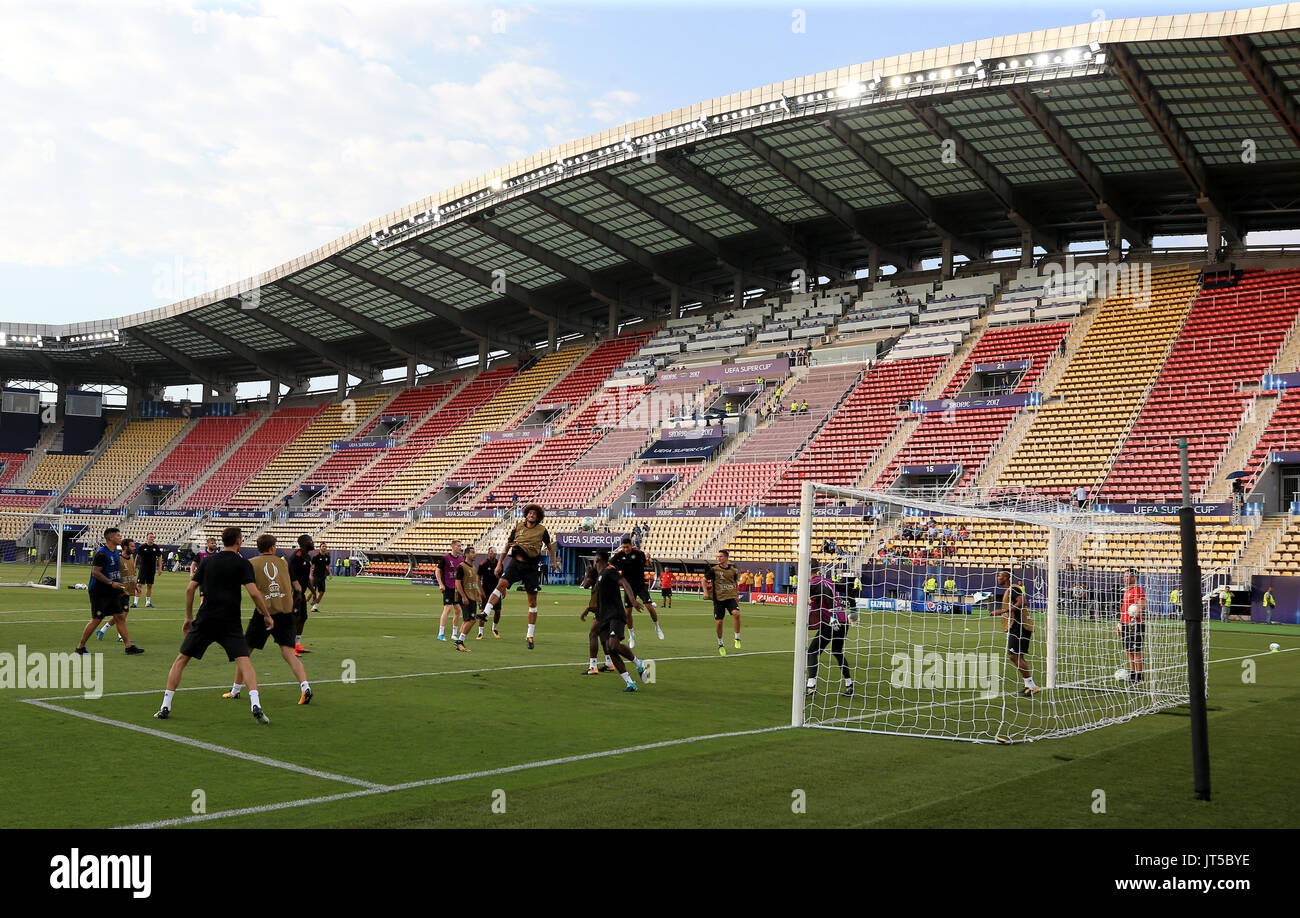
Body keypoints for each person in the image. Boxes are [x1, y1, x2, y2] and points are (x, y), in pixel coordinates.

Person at [155, 527, 274, 723]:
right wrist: (267, 615)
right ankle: (256, 704)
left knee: (181, 660)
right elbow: (254, 592)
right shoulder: (242, 563)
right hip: (230, 621)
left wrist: (188, 617)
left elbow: (190, 588)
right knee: (244, 661)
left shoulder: (208, 561)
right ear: (238, 541)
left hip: (206, 618)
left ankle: (165, 706)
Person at [222, 534, 312, 705]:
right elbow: (298, 587)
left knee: (244, 653)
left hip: (264, 613)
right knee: (288, 653)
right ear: (272, 548)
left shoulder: (252, 563)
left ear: (258, 548)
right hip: (285, 612)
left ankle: (235, 690)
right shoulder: (284, 562)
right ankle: (305, 687)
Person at [482, 504, 560, 649]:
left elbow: (549, 547)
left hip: (531, 568)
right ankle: (485, 613)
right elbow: (507, 546)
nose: (531, 515)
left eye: (534, 514)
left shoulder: (542, 530)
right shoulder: (518, 527)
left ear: (538, 517)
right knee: (500, 584)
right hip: (515, 563)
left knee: (532, 602)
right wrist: (499, 564)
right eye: (529, 513)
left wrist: (553, 562)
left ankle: (530, 635)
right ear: (526, 514)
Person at [581, 550, 648, 692]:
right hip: (603, 617)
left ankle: (638, 663)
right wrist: (589, 610)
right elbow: (602, 600)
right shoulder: (599, 576)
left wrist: (633, 600)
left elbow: (624, 582)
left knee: (613, 645)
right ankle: (630, 683)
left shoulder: (609, 570)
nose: (593, 562)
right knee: (610, 650)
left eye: (594, 559)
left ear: (597, 559)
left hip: (615, 615)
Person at [76, 528, 144, 656]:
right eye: (118, 536)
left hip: (113, 591)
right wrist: (111, 583)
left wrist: (121, 588)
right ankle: (80, 647)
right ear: (111, 538)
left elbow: (116, 573)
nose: (120, 537)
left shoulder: (114, 553)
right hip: (99, 591)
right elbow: (95, 572)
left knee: (120, 617)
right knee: (97, 619)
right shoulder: (102, 553)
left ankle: (128, 646)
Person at [805, 559, 852, 697]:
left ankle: (811, 686)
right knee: (837, 652)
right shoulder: (828, 580)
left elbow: (826, 593)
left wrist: (832, 615)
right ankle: (849, 684)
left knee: (812, 651)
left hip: (831, 621)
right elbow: (841, 590)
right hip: (843, 620)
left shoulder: (814, 583)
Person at [990, 569, 1038, 696]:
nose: (998, 577)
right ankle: (1030, 686)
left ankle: (1032, 686)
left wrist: (1002, 612)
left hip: (1019, 626)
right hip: (1018, 626)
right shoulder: (1009, 590)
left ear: (1006, 577)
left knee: (1013, 655)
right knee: (1018, 656)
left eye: (1000, 575)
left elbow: (1022, 602)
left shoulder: (1014, 588)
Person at [611, 537, 664, 646]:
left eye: (627, 547)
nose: (625, 549)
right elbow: (610, 564)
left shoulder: (639, 553)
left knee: (649, 607)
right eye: (624, 547)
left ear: (632, 545)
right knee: (628, 612)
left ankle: (657, 627)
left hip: (640, 585)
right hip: (628, 587)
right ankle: (632, 635)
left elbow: (648, 565)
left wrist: (648, 560)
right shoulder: (619, 555)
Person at [95, 538, 138, 642]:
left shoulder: (132, 558)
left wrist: (135, 585)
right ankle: (121, 637)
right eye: (132, 546)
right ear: (125, 547)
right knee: (121, 615)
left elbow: (131, 573)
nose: (134, 548)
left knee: (121, 615)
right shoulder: (118, 559)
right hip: (119, 591)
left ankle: (102, 631)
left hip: (128, 590)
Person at [704, 549, 742, 655]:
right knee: (719, 622)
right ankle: (720, 644)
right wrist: (705, 592)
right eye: (718, 556)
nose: (718, 558)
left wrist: (736, 594)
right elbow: (703, 580)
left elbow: (735, 583)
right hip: (719, 599)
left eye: (721, 556)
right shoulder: (714, 570)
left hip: (730, 598)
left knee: (737, 614)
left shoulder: (733, 570)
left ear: (726, 558)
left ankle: (737, 638)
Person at [452, 547, 487, 651]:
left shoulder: (473, 568)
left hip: (472, 596)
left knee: (468, 620)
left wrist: (478, 596)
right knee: (471, 620)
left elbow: (473, 584)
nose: (474, 554)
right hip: (466, 596)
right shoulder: (461, 567)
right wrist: (463, 596)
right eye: (472, 552)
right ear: (466, 554)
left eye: (474, 552)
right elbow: (457, 583)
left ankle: (460, 642)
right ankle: (459, 642)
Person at [435, 539, 466, 642]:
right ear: (452, 547)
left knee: (458, 610)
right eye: (458, 546)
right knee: (447, 609)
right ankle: (441, 633)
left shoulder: (462, 559)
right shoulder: (446, 558)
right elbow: (438, 571)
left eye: (460, 546)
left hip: (457, 588)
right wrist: (440, 584)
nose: (459, 547)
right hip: (448, 586)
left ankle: (454, 633)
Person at [288, 534, 314, 655]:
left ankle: (297, 644)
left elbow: (305, 578)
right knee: (294, 619)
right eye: (310, 541)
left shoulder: (307, 557)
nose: (312, 543)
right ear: (304, 543)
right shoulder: (296, 556)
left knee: (303, 618)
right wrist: (293, 591)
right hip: (294, 593)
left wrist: (313, 591)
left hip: (301, 593)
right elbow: (290, 574)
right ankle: (290, 646)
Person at [1119, 569, 1145, 683]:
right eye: (1124, 576)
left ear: (1134, 578)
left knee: (1136, 650)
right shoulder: (1126, 591)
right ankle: (1133, 674)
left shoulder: (1138, 590)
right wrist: (1120, 623)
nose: (1125, 578)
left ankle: (1140, 676)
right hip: (1124, 624)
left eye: (1127, 576)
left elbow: (1142, 605)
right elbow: (1124, 608)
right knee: (1128, 650)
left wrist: (1134, 618)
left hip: (1135, 624)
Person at [478, 548, 503, 637]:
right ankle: (480, 632)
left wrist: (503, 590)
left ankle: (494, 628)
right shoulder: (483, 564)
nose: (494, 554)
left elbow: (501, 578)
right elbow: (478, 578)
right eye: (492, 552)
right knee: (483, 612)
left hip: (497, 590)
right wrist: (481, 591)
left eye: (495, 552)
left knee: (498, 611)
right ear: (488, 553)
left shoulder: (499, 564)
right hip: (486, 591)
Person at [135, 532, 162, 608]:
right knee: (139, 585)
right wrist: (134, 566)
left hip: (152, 569)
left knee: (149, 585)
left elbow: (159, 557)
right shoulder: (142, 547)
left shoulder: (156, 547)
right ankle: (135, 602)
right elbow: (137, 557)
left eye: (153, 537)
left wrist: (160, 568)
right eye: (150, 537)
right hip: (143, 568)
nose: (152, 538)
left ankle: (148, 602)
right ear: (147, 537)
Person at [310, 542, 331, 613]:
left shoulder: (327, 557)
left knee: (322, 592)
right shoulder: (316, 556)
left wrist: (330, 573)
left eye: (325, 546)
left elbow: (327, 566)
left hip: (322, 577)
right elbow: (312, 566)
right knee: (313, 591)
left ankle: (314, 606)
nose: (324, 548)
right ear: (320, 547)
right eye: (323, 546)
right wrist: (310, 575)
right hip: (316, 576)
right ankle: (303, 604)